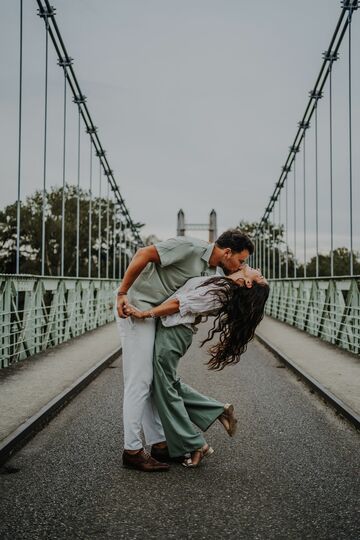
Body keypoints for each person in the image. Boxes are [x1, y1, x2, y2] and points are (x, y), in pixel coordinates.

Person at [115, 230, 254, 472]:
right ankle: (132, 450)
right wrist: (122, 293)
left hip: (153, 316)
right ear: (228, 252)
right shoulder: (189, 247)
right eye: (241, 261)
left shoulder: (212, 274)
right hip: (135, 306)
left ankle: (159, 444)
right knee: (140, 381)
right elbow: (144, 253)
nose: (241, 266)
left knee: (153, 381)